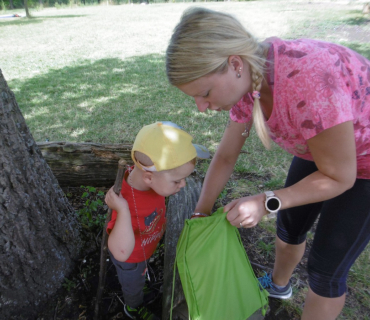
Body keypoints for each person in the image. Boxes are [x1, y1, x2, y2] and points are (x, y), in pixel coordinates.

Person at [165, 7, 370, 320]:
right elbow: (225, 155)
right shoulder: (251, 77)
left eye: (204, 94)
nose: (202, 107)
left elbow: (340, 177)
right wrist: (200, 212)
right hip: (319, 150)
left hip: (363, 165)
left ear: (234, 63)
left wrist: (266, 201)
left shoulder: (307, 82)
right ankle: (278, 285)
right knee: (288, 228)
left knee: (325, 270)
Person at [105, 121, 209, 320]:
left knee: (141, 273)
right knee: (133, 286)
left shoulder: (150, 183)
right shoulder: (124, 202)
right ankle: (133, 308)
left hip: (145, 248)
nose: (183, 184)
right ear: (148, 178)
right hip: (132, 261)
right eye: (177, 181)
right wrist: (123, 211)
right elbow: (120, 252)